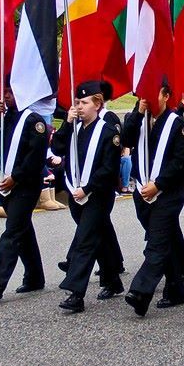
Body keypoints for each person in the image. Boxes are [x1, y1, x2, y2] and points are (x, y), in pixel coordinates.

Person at [122, 83, 184, 317]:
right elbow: (125, 139)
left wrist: (159, 184)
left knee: (156, 242)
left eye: (151, 93)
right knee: (168, 241)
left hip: (168, 192)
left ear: (166, 95)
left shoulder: (177, 124)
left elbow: (180, 161)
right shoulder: (140, 118)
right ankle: (174, 290)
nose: (146, 98)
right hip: (143, 192)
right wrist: (137, 112)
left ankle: (140, 291)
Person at [52, 80, 123, 313]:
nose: (79, 106)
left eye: (84, 102)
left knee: (84, 240)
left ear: (97, 103)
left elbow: (108, 168)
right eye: (77, 102)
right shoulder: (74, 128)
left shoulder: (108, 131)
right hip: (76, 193)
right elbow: (57, 149)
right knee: (99, 235)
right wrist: (67, 121)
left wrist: (89, 187)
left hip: (98, 195)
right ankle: (113, 279)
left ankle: (76, 293)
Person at [0, 82, 48, 300]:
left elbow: (35, 156)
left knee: (13, 229)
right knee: (23, 230)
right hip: (3, 184)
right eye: (4, 92)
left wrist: (16, 177)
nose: (6, 96)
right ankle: (35, 277)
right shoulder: (3, 118)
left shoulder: (33, 121)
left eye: (11, 92)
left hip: (25, 184)